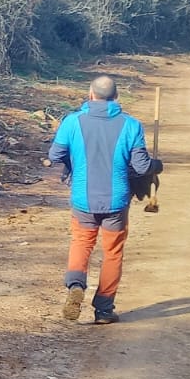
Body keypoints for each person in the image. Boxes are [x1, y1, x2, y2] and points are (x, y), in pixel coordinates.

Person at [46, 75, 155, 324]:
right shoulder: (131, 125)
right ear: (116, 97)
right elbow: (141, 167)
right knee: (113, 252)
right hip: (116, 202)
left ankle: (76, 284)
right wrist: (156, 166)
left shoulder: (72, 122)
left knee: (82, 243)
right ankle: (104, 309)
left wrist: (70, 164)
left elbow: (55, 154)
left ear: (90, 94)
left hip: (83, 199)